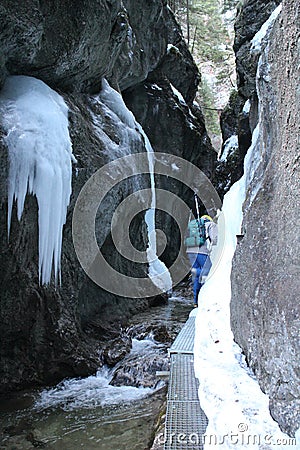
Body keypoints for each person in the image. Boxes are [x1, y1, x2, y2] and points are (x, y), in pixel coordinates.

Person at [185, 214, 218, 307]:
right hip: (202, 252)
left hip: (190, 251)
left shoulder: (194, 225)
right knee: (207, 272)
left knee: (196, 275)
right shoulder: (211, 224)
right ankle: (205, 298)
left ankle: (196, 301)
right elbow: (215, 239)